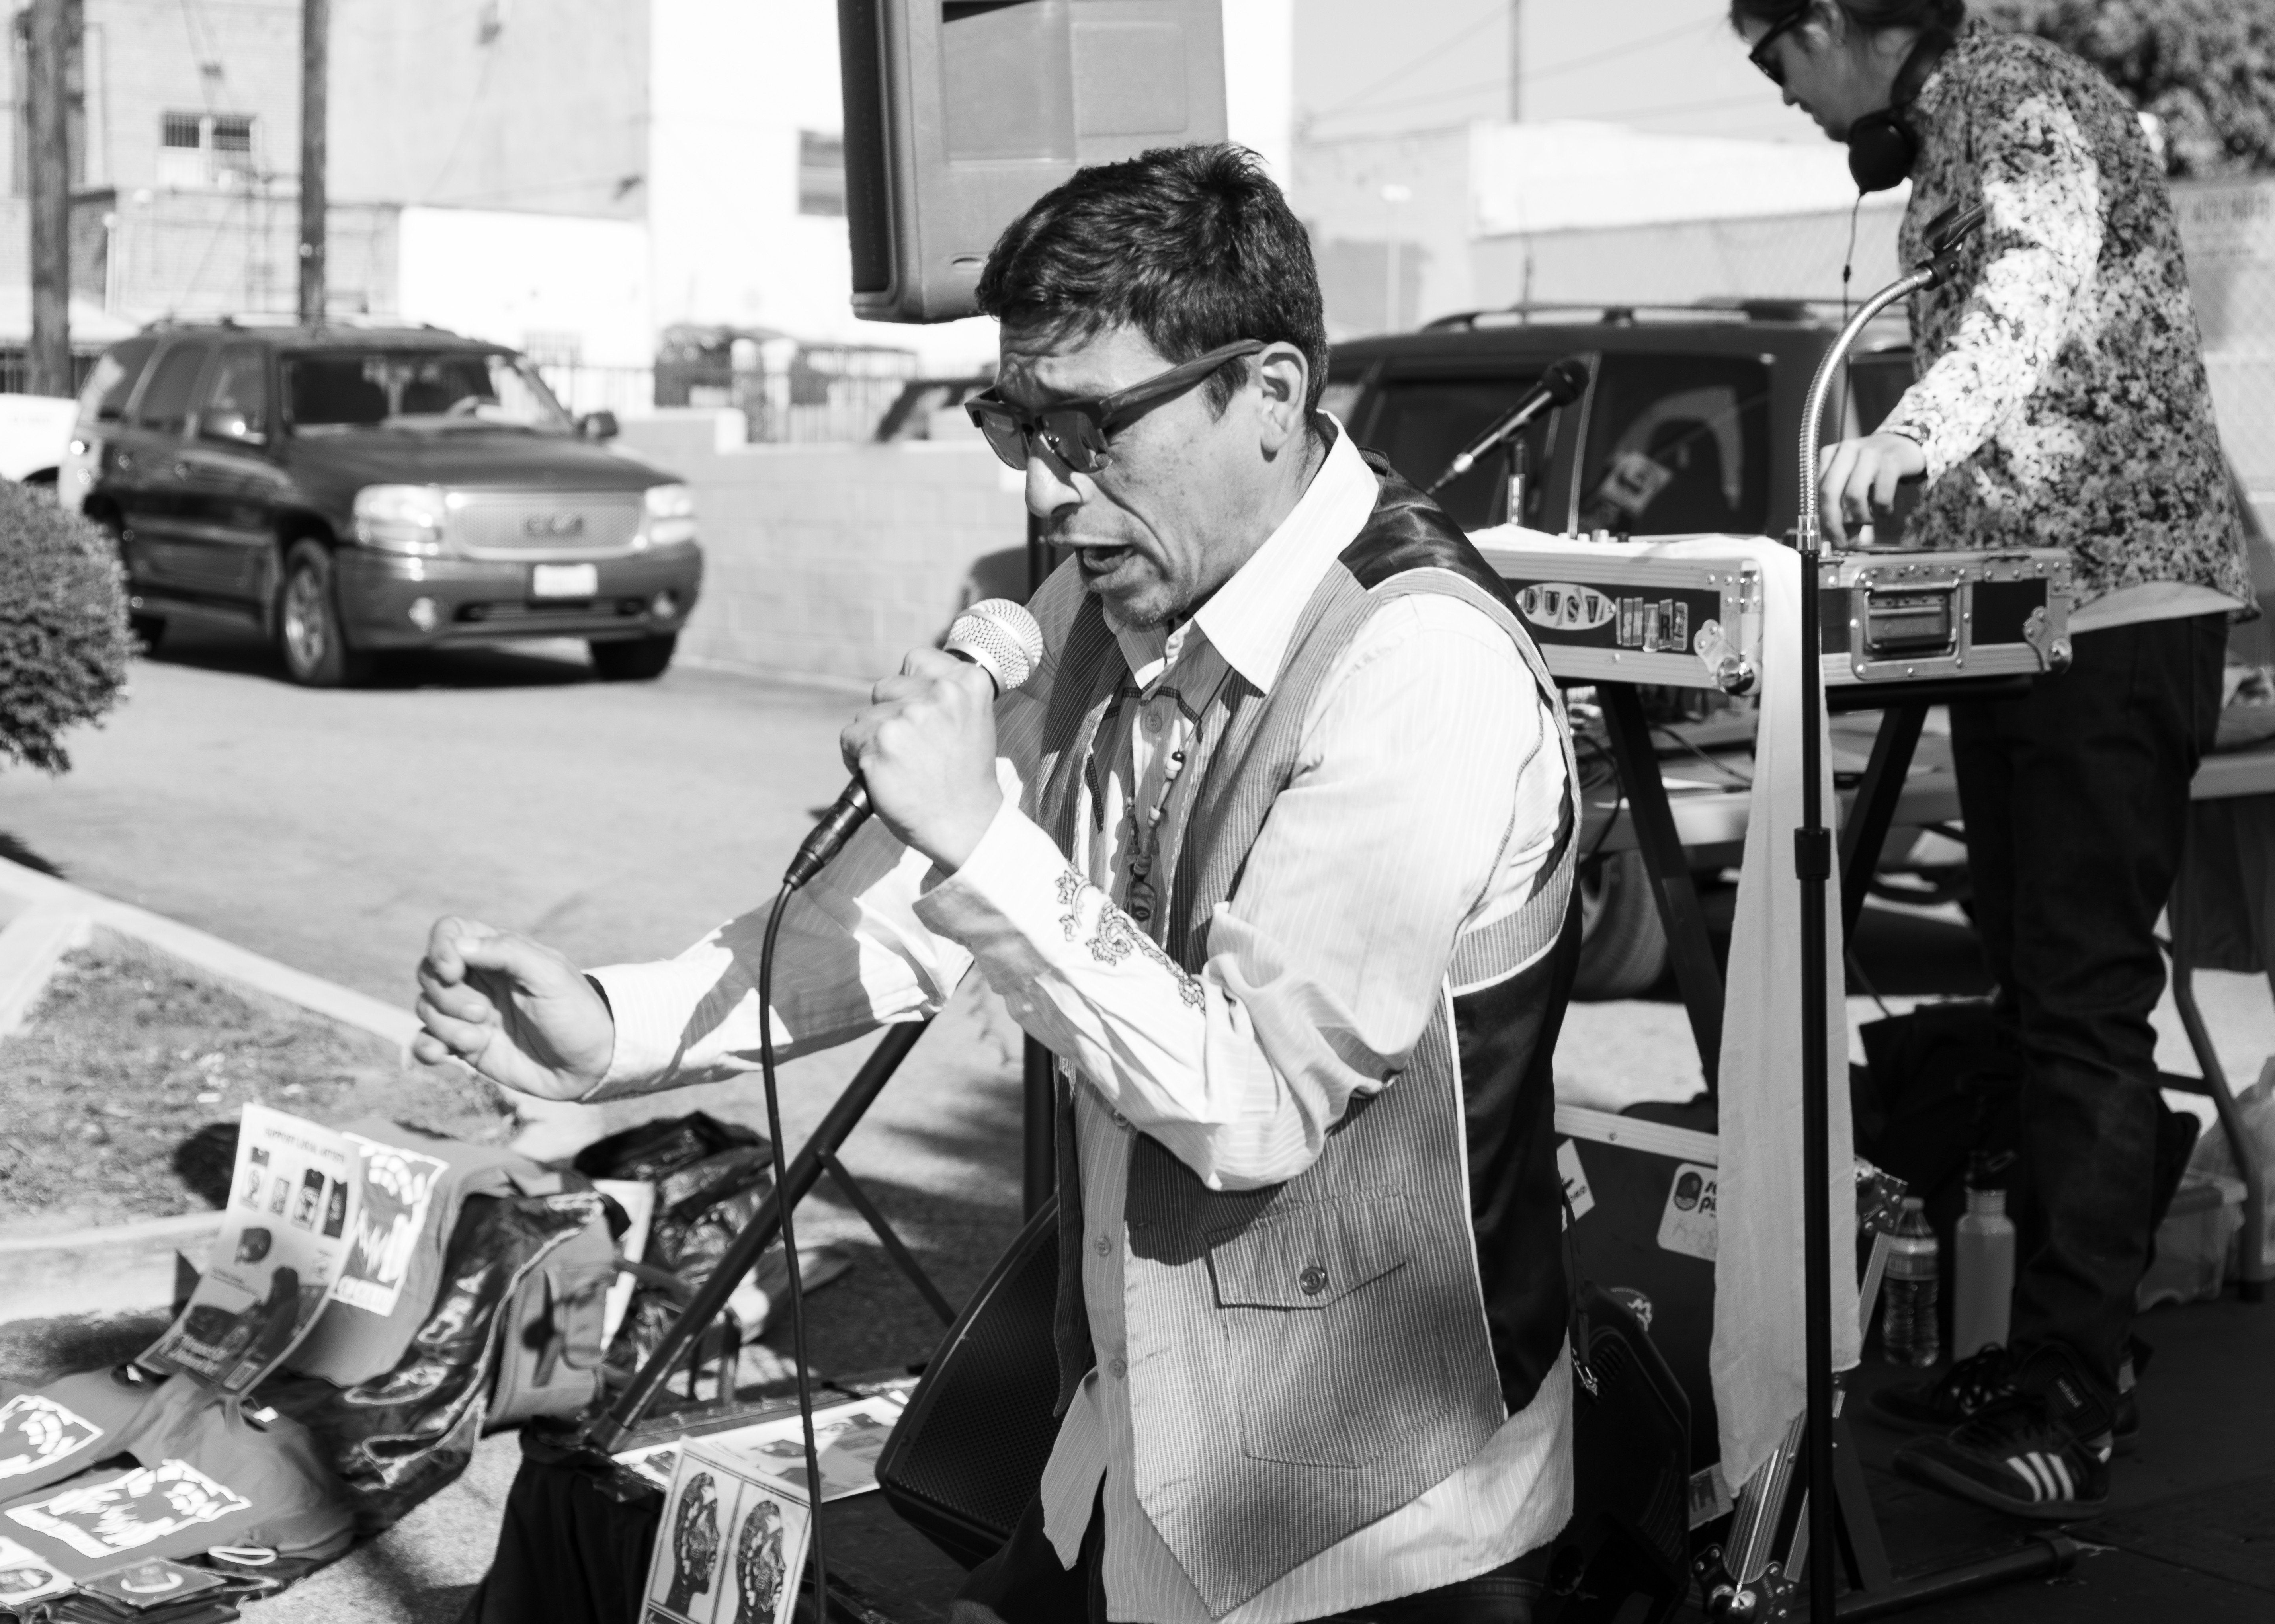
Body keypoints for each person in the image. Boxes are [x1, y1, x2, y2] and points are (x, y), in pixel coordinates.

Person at [414, 144, 1581, 1624]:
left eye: (1092, 428)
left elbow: (1256, 1099)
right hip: (1136, 1469)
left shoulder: (1423, 665)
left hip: (1377, 1536)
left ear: (1271, 397)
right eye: (1012, 422)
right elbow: (916, 912)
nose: (1046, 486)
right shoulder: (1119, 588)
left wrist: (984, 843)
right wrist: (621, 1026)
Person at [1730, 0, 2249, 1522]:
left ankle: (2078, 1386)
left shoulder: (2015, 104)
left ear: (1826, 19)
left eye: (1780, 67)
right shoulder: (1964, 118)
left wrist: (1910, 433)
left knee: (2081, 997)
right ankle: (2043, 1338)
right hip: (2037, 614)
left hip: (2115, 613)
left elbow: (2025, 289)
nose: (1794, 108)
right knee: (2036, 989)